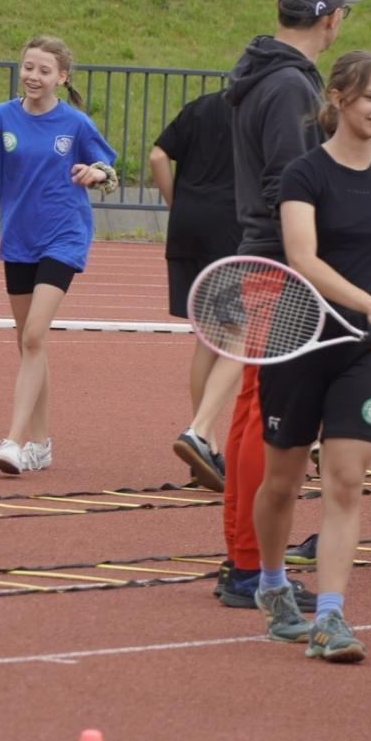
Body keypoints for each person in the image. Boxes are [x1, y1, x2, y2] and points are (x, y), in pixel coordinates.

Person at [248, 50, 371, 663]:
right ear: (340, 98)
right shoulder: (304, 176)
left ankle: (331, 617)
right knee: (282, 485)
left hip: (358, 354)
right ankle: (271, 586)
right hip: (297, 341)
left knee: (346, 482)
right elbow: (303, 259)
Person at [215, 0, 358, 613]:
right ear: (328, 18)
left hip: (266, 260)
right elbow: (288, 183)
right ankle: (248, 563)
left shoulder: (268, 78)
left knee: (253, 408)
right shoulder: (289, 89)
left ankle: (246, 557)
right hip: (282, 266)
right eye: (342, 15)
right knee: (262, 417)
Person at [0, 36, 118, 476]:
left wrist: (94, 173)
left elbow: (109, 171)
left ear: (61, 78)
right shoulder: (2, 117)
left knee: (33, 336)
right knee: (30, 343)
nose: (33, 76)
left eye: (44, 70)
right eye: (28, 67)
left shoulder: (75, 124)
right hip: (18, 239)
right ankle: (42, 444)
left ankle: (13, 440)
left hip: (63, 236)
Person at [149, 89, 240, 491]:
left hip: (188, 223)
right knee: (241, 338)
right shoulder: (263, 112)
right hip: (231, 229)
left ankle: (208, 444)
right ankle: (201, 433)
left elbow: (156, 156)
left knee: (206, 337)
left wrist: (177, 203)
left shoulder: (202, 105)